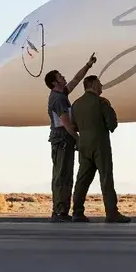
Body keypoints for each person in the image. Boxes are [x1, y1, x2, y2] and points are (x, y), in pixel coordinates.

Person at [70, 75, 131, 223]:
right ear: (92, 85)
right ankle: (112, 212)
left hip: (84, 145)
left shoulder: (76, 104)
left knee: (82, 180)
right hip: (100, 145)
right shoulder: (101, 102)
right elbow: (112, 124)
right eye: (99, 83)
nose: (102, 86)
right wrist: (109, 108)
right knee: (106, 178)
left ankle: (77, 211)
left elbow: (74, 126)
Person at [43, 54, 96, 222]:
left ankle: (61, 210)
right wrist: (78, 139)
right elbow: (66, 123)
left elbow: (75, 80)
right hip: (62, 140)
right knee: (62, 174)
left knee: (65, 174)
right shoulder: (58, 99)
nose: (63, 77)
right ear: (54, 83)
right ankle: (59, 211)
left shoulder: (62, 94)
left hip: (64, 140)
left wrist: (87, 65)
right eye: (60, 77)